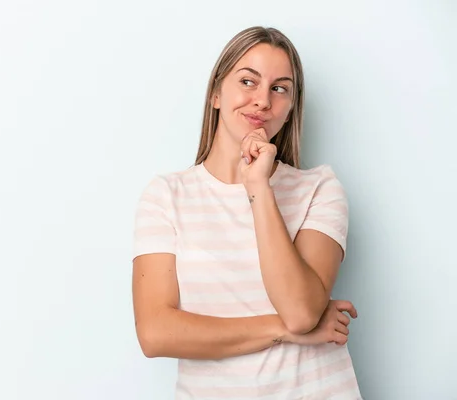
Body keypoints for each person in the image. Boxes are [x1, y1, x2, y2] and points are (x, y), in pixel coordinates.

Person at [131, 26, 362, 399]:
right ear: (216, 93)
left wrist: (257, 187)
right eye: (248, 81)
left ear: (290, 111)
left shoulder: (320, 189)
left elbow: (302, 311)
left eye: (279, 88)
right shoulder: (166, 196)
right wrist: (282, 330)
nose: (262, 100)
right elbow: (156, 333)